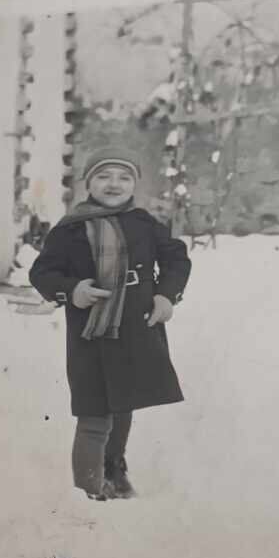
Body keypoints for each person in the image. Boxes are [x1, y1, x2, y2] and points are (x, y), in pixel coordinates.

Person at [29, 144, 191, 499]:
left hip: (135, 328)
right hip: (91, 334)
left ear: (134, 184)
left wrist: (166, 295)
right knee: (94, 414)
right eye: (103, 176)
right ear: (89, 183)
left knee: (123, 406)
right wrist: (72, 290)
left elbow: (177, 258)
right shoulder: (69, 230)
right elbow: (42, 272)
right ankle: (88, 491)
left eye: (123, 177)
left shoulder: (145, 225)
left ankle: (114, 471)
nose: (114, 184)